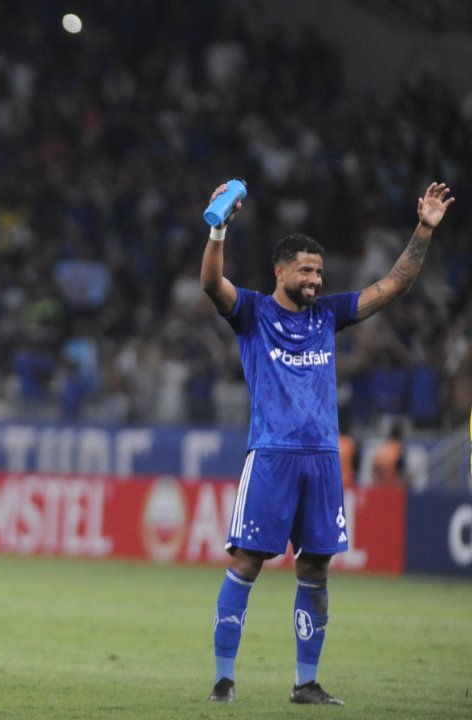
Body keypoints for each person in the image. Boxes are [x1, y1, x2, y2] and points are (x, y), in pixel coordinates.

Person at [201, 181, 454, 705]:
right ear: (280, 272)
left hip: (322, 460)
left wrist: (423, 230)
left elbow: (393, 285)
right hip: (270, 456)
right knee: (247, 562)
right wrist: (219, 228)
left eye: (319, 272)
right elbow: (211, 283)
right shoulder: (252, 313)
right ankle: (224, 679)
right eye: (306, 271)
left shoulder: (328, 315)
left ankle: (305, 683)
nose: (315, 280)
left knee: (315, 568)